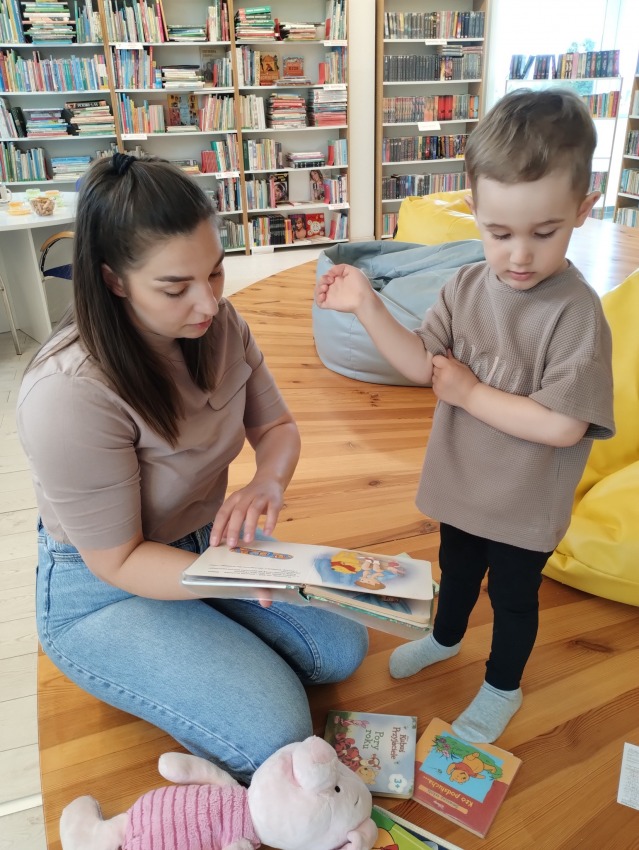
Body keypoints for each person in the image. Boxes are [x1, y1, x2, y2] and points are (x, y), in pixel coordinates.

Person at [18, 153, 368, 783]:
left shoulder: (220, 325)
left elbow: (277, 429)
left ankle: (217, 642)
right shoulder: (68, 394)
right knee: (276, 732)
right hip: (103, 586)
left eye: (216, 271)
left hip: (207, 538)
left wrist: (267, 481)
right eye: (175, 288)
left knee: (342, 649)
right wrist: (233, 579)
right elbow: (118, 560)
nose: (208, 302)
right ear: (114, 280)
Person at [315, 89, 615, 743]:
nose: (519, 255)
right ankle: (446, 638)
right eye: (499, 233)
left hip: (525, 505)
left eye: (544, 232)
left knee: (512, 598)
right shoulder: (464, 286)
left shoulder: (576, 314)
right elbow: (420, 365)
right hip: (462, 486)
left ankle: (502, 686)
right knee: (454, 572)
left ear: (582, 211)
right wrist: (366, 306)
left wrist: (470, 394)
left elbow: (563, 426)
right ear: (472, 211)